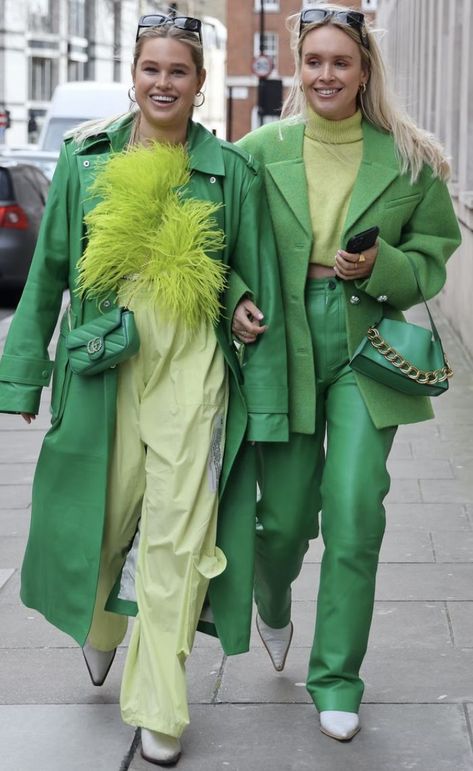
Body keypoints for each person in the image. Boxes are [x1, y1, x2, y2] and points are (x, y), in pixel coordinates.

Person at [0, 15, 287, 767]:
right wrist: (21, 372)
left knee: (178, 537)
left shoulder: (232, 171)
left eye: (178, 71)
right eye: (151, 69)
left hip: (192, 370)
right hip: (103, 364)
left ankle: (160, 698)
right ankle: (101, 624)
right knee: (99, 517)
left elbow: (246, 273)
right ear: (134, 75)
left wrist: (240, 305)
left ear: (198, 85)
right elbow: (48, 275)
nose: (163, 82)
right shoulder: (85, 158)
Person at [234, 3, 461, 742]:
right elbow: (223, 241)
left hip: (365, 340)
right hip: (284, 338)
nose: (325, 73)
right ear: (298, 69)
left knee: (356, 509)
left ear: (365, 71)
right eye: (314, 61)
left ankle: (336, 675)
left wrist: (382, 264)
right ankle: (271, 599)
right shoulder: (258, 148)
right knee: (286, 519)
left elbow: (432, 252)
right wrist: (235, 298)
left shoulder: (405, 156)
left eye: (340, 61)